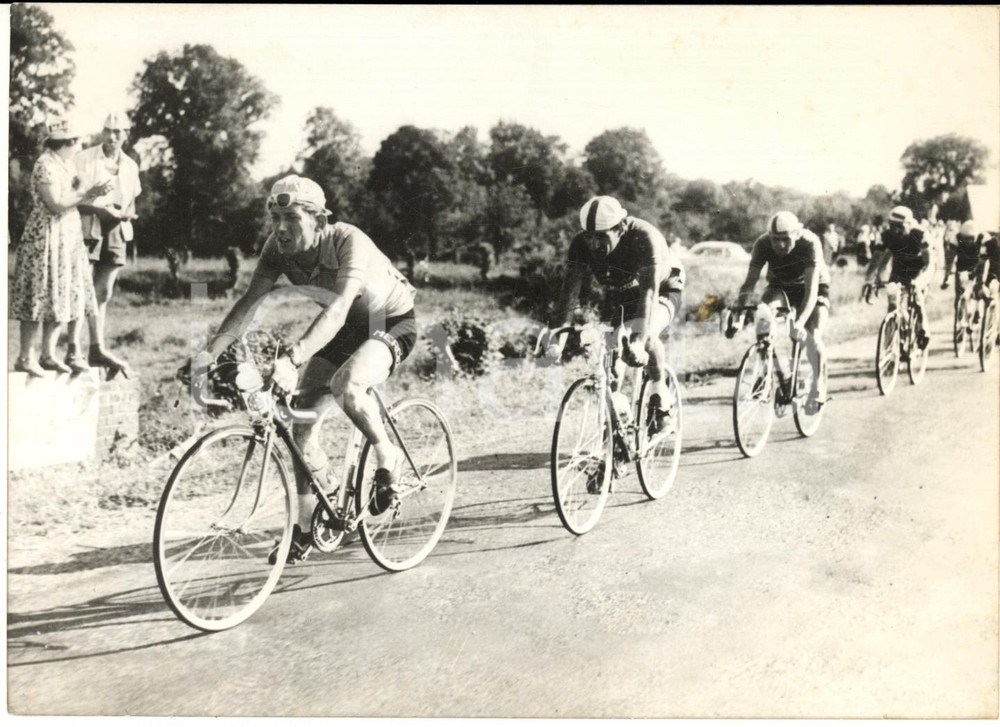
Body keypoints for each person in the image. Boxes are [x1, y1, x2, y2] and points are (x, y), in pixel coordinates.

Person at [180, 175, 418, 563]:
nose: (280, 228)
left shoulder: (348, 241)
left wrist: (293, 359)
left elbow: (338, 309)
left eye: (291, 218)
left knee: (346, 384)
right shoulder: (277, 248)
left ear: (319, 221)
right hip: (342, 327)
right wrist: (207, 356)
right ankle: (306, 526)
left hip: (387, 321)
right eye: (275, 218)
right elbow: (248, 303)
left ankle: (387, 455)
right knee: (300, 421)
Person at [542, 195, 686, 438]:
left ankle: (660, 395)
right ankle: (617, 425)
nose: (594, 245)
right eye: (589, 237)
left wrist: (639, 342)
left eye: (601, 237)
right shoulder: (580, 244)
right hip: (624, 292)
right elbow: (569, 295)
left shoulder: (644, 237)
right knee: (611, 358)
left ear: (620, 228)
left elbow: (649, 294)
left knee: (646, 334)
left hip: (663, 289)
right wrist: (557, 340)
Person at [9, 117, 113, 377]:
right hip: (46, 236)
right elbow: (55, 203)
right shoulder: (45, 164)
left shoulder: (65, 165)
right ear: (68, 142)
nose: (79, 146)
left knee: (61, 294)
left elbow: (73, 198)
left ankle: (48, 354)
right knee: (39, 293)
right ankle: (25, 356)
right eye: (77, 142)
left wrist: (93, 193)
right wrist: (86, 193)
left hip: (66, 235)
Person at [728, 211, 831, 414]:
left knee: (812, 336)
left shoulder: (810, 243)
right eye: (775, 240)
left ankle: (817, 385)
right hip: (780, 286)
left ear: (797, 234)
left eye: (785, 239)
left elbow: (810, 292)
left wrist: (799, 323)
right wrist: (739, 314)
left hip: (814, 287)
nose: (780, 245)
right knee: (764, 314)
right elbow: (749, 282)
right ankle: (766, 373)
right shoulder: (762, 243)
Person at [70, 111, 142, 377]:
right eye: (107, 131)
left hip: (116, 229)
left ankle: (96, 348)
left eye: (117, 132)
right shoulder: (84, 158)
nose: (111, 137)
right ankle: (72, 348)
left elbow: (131, 199)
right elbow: (71, 198)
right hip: (87, 225)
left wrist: (126, 213)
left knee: (102, 293)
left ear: (125, 135)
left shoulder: (131, 165)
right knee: (81, 289)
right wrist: (98, 208)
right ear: (102, 132)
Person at [861, 205, 932, 349]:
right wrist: (869, 281)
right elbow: (876, 260)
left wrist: (919, 281)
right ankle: (891, 344)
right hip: (899, 266)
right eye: (892, 226)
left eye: (899, 227)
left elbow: (929, 264)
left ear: (909, 224)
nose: (896, 231)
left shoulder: (920, 234)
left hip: (919, 267)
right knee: (893, 303)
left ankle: (924, 328)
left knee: (917, 295)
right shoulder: (887, 235)